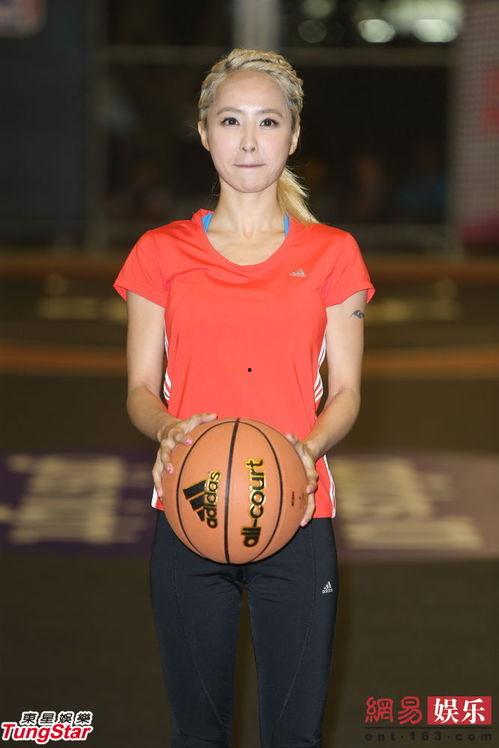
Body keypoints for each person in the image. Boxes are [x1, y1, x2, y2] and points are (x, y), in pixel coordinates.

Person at [113, 47, 375, 748]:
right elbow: (139, 389)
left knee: (295, 734)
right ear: (204, 132)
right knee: (196, 733)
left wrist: (306, 450)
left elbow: (347, 391)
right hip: (190, 510)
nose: (250, 140)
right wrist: (168, 429)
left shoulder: (333, 253)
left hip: (298, 512)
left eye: (268, 121)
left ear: (293, 135)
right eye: (231, 120)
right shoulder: (160, 252)